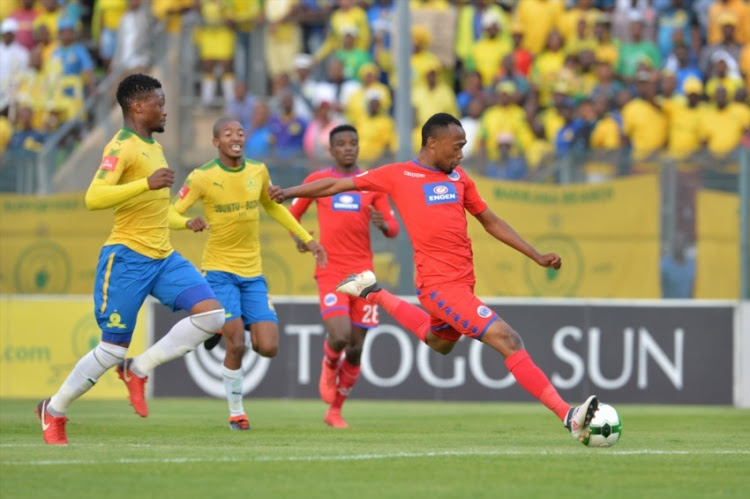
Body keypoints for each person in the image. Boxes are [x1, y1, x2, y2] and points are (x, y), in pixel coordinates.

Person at [269, 113, 600, 444]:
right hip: (438, 287)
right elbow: (332, 184)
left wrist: (536, 255)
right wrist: (288, 192)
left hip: (462, 283)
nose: (460, 154)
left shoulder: (459, 179)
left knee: (439, 342)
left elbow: (491, 221)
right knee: (508, 339)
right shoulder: (398, 175)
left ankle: (375, 293)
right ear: (432, 143)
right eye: (457, 147)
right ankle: (567, 415)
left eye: (463, 148)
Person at [35, 74, 226, 445]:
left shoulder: (153, 147)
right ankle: (53, 410)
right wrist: (146, 183)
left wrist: (184, 221)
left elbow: (156, 207)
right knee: (110, 348)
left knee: (212, 315)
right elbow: (93, 197)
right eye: (158, 103)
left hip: (163, 256)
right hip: (127, 257)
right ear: (138, 107)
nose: (164, 109)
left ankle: (139, 369)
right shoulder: (121, 146)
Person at [169, 117, 326, 430]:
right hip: (219, 270)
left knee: (268, 347)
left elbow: (273, 207)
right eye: (228, 133)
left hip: (253, 273)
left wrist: (307, 239)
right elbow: (171, 212)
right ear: (216, 142)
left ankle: (215, 329)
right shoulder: (202, 177)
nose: (235, 137)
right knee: (237, 343)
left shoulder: (258, 170)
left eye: (240, 132)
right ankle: (236, 412)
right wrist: (187, 222)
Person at [288, 124, 399, 428]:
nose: (348, 148)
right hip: (331, 269)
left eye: (353, 143)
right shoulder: (318, 180)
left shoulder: (370, 183)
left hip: (363, 275)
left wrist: (383, 225)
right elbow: (293, 213)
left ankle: (335, 410)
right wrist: (299, 238)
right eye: (342, 144)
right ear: (331, 149)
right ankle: (328, 364)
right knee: (339, 335)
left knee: (356, 347)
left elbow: (393, 228)